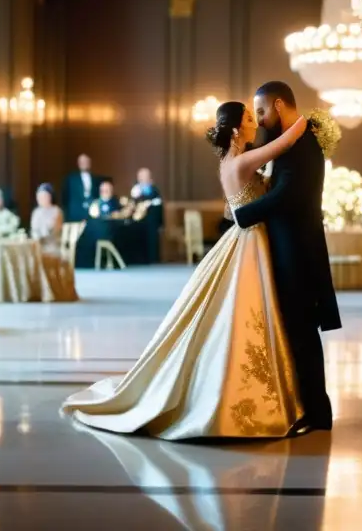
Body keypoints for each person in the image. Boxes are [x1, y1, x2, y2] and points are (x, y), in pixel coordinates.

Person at [62, 100, 314, 438]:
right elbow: (284, 143)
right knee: (244, 313)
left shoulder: (230, 161)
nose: (258, 122)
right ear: (238, 129)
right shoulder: (241, 160)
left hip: (246, 237)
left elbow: (231, 210)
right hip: (250, 242)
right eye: (252, 118)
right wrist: (309, 122)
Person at [232, 81, 341, 433]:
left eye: (261, 110)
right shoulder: (292, 142)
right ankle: (305, 405)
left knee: (303, 332)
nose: (260, 119)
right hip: (289, 248)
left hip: (299, 253)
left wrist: (242, 214)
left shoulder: (303, 145)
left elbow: (288, 195)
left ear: (279, 105)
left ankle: (317, 414)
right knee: (295, 330)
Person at [130, 168, 164, 264]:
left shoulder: (154, 189)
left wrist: (161, 222)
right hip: (140, 220)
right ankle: (141, 260)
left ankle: (154, 259)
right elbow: (133, 203)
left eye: (146, 176)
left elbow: (159, 205)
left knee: (153, 240)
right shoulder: (136, 189)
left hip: (152, 220)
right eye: (142, 176)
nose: (144, 178)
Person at [30, 183, 63, 257]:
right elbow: (34, 229)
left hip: (52, 243)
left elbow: (55, 230)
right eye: (39, 197)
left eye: (44, 196)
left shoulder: (56, 211)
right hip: (37, 243)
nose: (41, 199)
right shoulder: (36, 212)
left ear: (50, 197)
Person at [63, 154, 98, 223]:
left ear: (90, 163)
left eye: (86, 161)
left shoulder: (96, 179)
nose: (84, 164)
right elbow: (65, 198)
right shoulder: (71, 179)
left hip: (91, 216)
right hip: (75, 215)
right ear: (78, 163)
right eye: (82, 162)